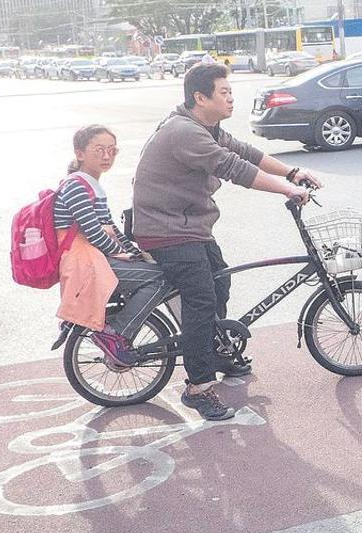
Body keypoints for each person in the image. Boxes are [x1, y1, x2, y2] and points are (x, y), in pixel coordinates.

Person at [131, 63, 320, 421]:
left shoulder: (206, 127)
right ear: (200, 98)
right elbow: (234, 168)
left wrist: (292, 171)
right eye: (224, 92)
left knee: (220, 281)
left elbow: (246, 152)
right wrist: (289, 189)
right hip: (166, 230)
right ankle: (198, 387)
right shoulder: (184, 132)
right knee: (200, 299)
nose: (231, 98)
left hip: (187, 226)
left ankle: (214, 351)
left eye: (231, 91)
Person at [53, 125, 168, 365]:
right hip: (85, 263)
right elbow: (94, 232)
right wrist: (118, 251)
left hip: (95, 260)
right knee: (161, 279)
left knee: (150, 272)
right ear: (80, 153)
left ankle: (117, 329)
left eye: (111, 151)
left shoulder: (91, 184)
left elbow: (111, 227)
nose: (106, 156)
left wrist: (133, 253)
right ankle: (115, 333)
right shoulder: (76, 185)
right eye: (99, 150)